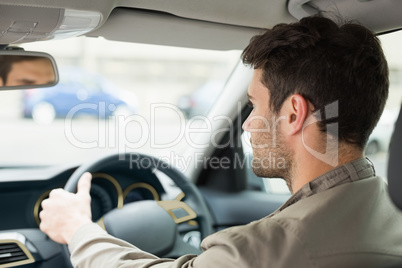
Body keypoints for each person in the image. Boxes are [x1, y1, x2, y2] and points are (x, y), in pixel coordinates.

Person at [39, 15, 402, 267]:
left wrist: (77, 230)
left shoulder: (259, 251)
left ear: (293, 115)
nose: (246, 126)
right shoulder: (391, 217)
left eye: (254, 106)